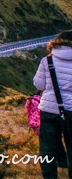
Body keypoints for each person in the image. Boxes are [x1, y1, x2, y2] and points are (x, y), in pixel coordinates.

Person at [33, 30, 72, 179]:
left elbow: (39, 84)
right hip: (71, 110)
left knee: (47, 147)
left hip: (49, 109)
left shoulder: (47, 61)